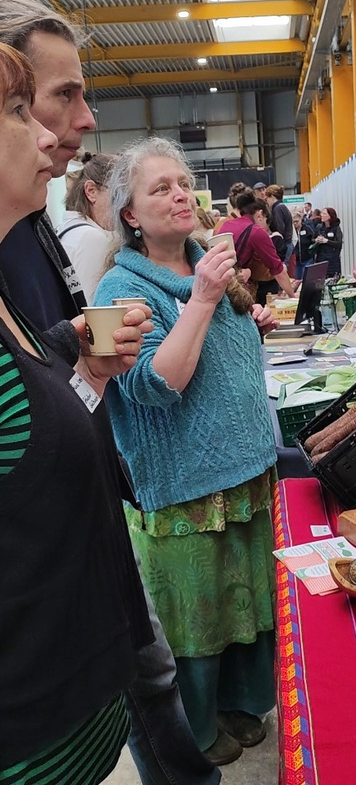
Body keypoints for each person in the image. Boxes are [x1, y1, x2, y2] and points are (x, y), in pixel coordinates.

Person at [0, 0, 221, 785]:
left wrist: (79, 361)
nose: (80, 122)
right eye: (44, 101)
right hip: (42, 701)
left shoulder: (29, 235)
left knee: (158, 680)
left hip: (85, 621)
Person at [94, 136, 278, 767]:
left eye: (181, 183)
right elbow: (152, 385)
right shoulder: (121, 286)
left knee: (248, 601)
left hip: (248, 468)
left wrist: (244, 316)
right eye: (158, 188)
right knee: (198, 617)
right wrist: (200, 300)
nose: (177, 194)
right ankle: (197, 727)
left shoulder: (208, 258)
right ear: (130, 215)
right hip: (184, 484)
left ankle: (241, 704)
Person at [0, 40, 155, 783]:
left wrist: (70, 347)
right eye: (17, 109)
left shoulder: (17, 259)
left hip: (81, 715)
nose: (54, 133)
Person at [57, 152, 115, 302]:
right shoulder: (91, 239)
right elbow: (91, 309)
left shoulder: (66, 231)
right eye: (118, 193)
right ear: (91, 191)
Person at [222, 185, 295, 303]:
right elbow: (277, 269)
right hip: (236, 291)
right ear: (260, 214)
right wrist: (292, 296)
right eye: (267, 220)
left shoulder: (226, 224)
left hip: (222, 288)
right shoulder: (256, 232)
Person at [265, 184, 294, 262]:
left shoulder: (278, 209)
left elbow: (280, 228)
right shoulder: (282, 207)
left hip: (284, 245)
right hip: (287, 243)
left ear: (272, 197)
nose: (266, 201)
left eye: (267, 198)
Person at [313, 207, 343, 279]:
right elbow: (312, 239)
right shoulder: (319, 227)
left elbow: (339, 243)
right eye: (321, 213)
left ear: (330, 216)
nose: (321, 215)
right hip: (320, 259)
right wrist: (316, 240)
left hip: (333, 261)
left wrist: (327, 241)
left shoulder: (336, 228)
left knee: (333, 279)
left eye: (324, 213)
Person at [293, 210, 315, 280]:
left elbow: (313, 240)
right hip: (296, 260)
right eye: (293, 222)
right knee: (297, 279)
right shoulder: (291, 231)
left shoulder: (307, 229)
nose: (295, 223)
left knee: (307, 278)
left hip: (307, 258)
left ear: (301, 220)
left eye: (297, 221)